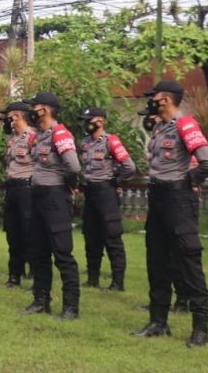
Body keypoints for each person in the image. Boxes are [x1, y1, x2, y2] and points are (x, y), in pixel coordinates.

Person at [133, 80, 208, 347]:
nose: (150, 101)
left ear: (165, 99)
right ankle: (158, 321)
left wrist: (189, 181)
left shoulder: (184, 124)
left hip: (178, 197)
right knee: (157, 259)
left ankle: (200, 328)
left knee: (187, 258)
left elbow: (206, 160)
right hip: (157, 197)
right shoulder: (159, 127)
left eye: (153, 97)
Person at [20, 91, 81, 320]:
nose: (30, 112)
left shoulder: (60, 134)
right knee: (38, 252)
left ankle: (70, 306)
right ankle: (41, 300)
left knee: (62, 253)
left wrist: (63, 185)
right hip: (37, 196)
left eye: (33, 107)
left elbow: (74, 167)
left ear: (44, 109)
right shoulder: (38, 136)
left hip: (54, 198)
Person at [78, 107, 135, 291]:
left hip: (106, 193)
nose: (86, 123)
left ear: (100, 121)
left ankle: (117, 282)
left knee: (112, 237)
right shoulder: (85, 143)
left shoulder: (111, 141)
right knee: (91, 236)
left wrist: (115, 181)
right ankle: (92, 278)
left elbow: (129, 167)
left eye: (89, 120)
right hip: (90, 193)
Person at [2, 102, 35, 288]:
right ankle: (15, 274)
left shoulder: (33, 137)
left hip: (27, 189)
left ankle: (35, 271)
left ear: (18, 115)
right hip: (12, 188)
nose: (7, 119)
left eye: (10, 115)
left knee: (29, 231)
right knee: (13, 233)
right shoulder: (13, 139)